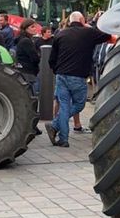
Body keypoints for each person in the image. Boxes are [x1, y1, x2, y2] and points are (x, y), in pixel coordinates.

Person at [46, 11, 110, 147]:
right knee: (79, 104)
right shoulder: (88, 33)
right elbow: (107, 36)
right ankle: (55, 127)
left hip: (61, 75)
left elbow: (52, 58)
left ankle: (62, 137)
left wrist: (57, 70)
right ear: (82, 20)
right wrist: (89, 26)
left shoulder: (60, 34)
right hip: (78, 76)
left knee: (63, 105)